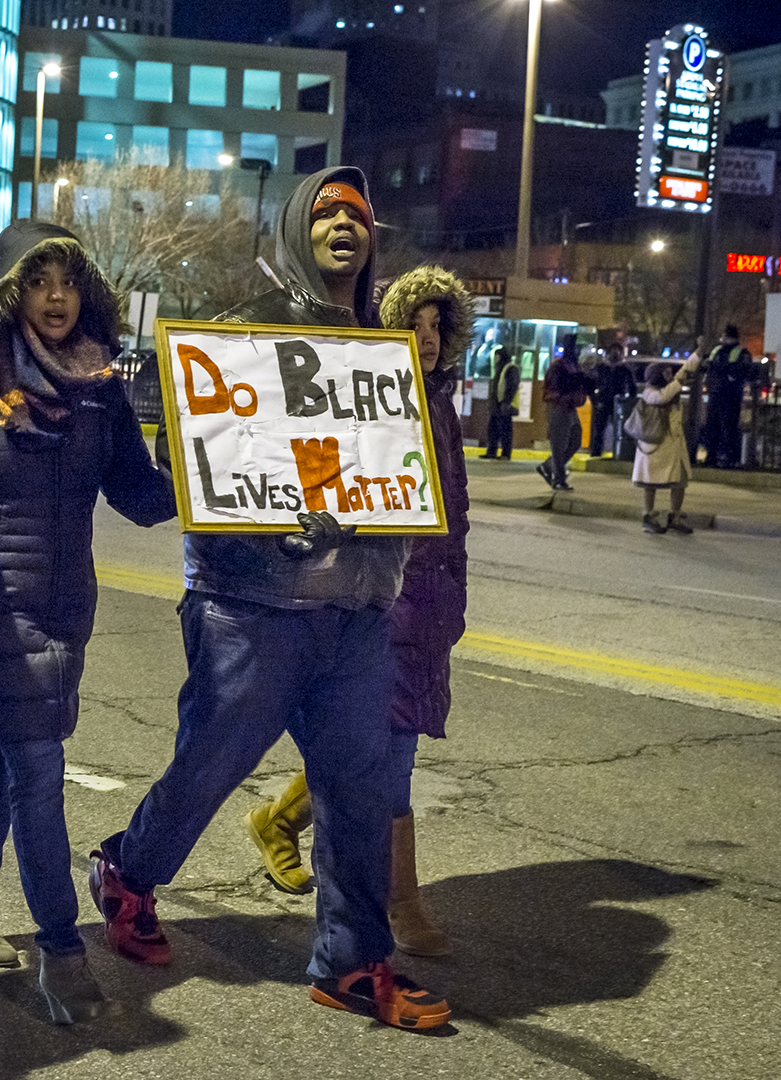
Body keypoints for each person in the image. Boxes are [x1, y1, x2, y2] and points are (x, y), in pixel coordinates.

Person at [85, 167, 452, 1033]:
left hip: (358, 612)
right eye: (325, 213)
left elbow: (401, 473)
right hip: (249, 608)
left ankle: (352, 962)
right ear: (296, 229)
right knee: (208, 769)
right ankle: (128, 872)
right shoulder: (242, 335)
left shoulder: (386, 350)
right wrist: (268, 527)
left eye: (357, 215)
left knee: (358, 792)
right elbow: (198, 467)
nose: (343, 225)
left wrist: (381, 526)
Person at [0, 219, 175, 1022]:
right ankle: (61, 951)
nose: (56, 296)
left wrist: (206, 467)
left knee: (9, 748)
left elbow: (139, 496)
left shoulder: (98, 385)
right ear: (8, 291)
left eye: (69, 281)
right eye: (38, 281)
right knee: (37, 766)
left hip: (64, 608)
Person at [245, 266, 474, 959]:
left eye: (438, 326)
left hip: (428, 602)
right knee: (389, 755)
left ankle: (280, 822)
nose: (427, 338)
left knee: (376, 745)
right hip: (378, 595)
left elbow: (453, 516)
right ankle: (398, 902)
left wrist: (452, 598)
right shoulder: (368, 398)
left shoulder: (441, 404)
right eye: (415, 323)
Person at [632, 358, 700, 534]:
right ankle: (648, 516)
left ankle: (674, 516)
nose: (670, 376)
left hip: (673, 446)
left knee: (680, 481)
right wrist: (678, 382)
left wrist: (697, 354)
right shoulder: (650, 392)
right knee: (650, 482)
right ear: (658, 376)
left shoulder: (670, 389)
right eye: (666, 373)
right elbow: (663, 397)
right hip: (655, 446)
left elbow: (683, 372)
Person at [699, 324, 755, 469]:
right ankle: (711, 457)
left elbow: (740, 371)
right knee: (712, 426)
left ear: (730, 337)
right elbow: (705, 366)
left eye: (724, 335)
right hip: (715, 395)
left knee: (729, 428)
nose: (722, 338)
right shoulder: (717, 350)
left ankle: (728, 459)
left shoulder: (741, 353)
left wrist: (719, 368)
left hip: (731, 398)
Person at [538, 342, 590, 491]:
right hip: (559, 406)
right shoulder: (559, 367)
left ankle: (549, 467)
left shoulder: (574, 366)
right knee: (559, 445)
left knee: (575, 440)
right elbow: (556, 387)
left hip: (570, 407)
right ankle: (559, 479)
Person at [588, 346, 635, 458]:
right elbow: (591, 383)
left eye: (617, 352)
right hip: (604, 402)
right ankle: (596, 453)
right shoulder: (602, 368)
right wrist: (595, 399)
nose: (614, 354)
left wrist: (629, 400)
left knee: (620, 429)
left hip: (618, 402)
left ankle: (620, 453)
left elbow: (632, 385)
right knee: (599, 429)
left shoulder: (624, 368)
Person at [482, 346, 519, 459]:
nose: (496, 359)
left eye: (497, 356)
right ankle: (491, 451)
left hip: (504, 405)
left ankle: (505, 453)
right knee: (493, 429)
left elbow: (512, 386)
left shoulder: (510, 369)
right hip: (497, 405)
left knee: (505, 430)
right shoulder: (499, 369)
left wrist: (506, 402)